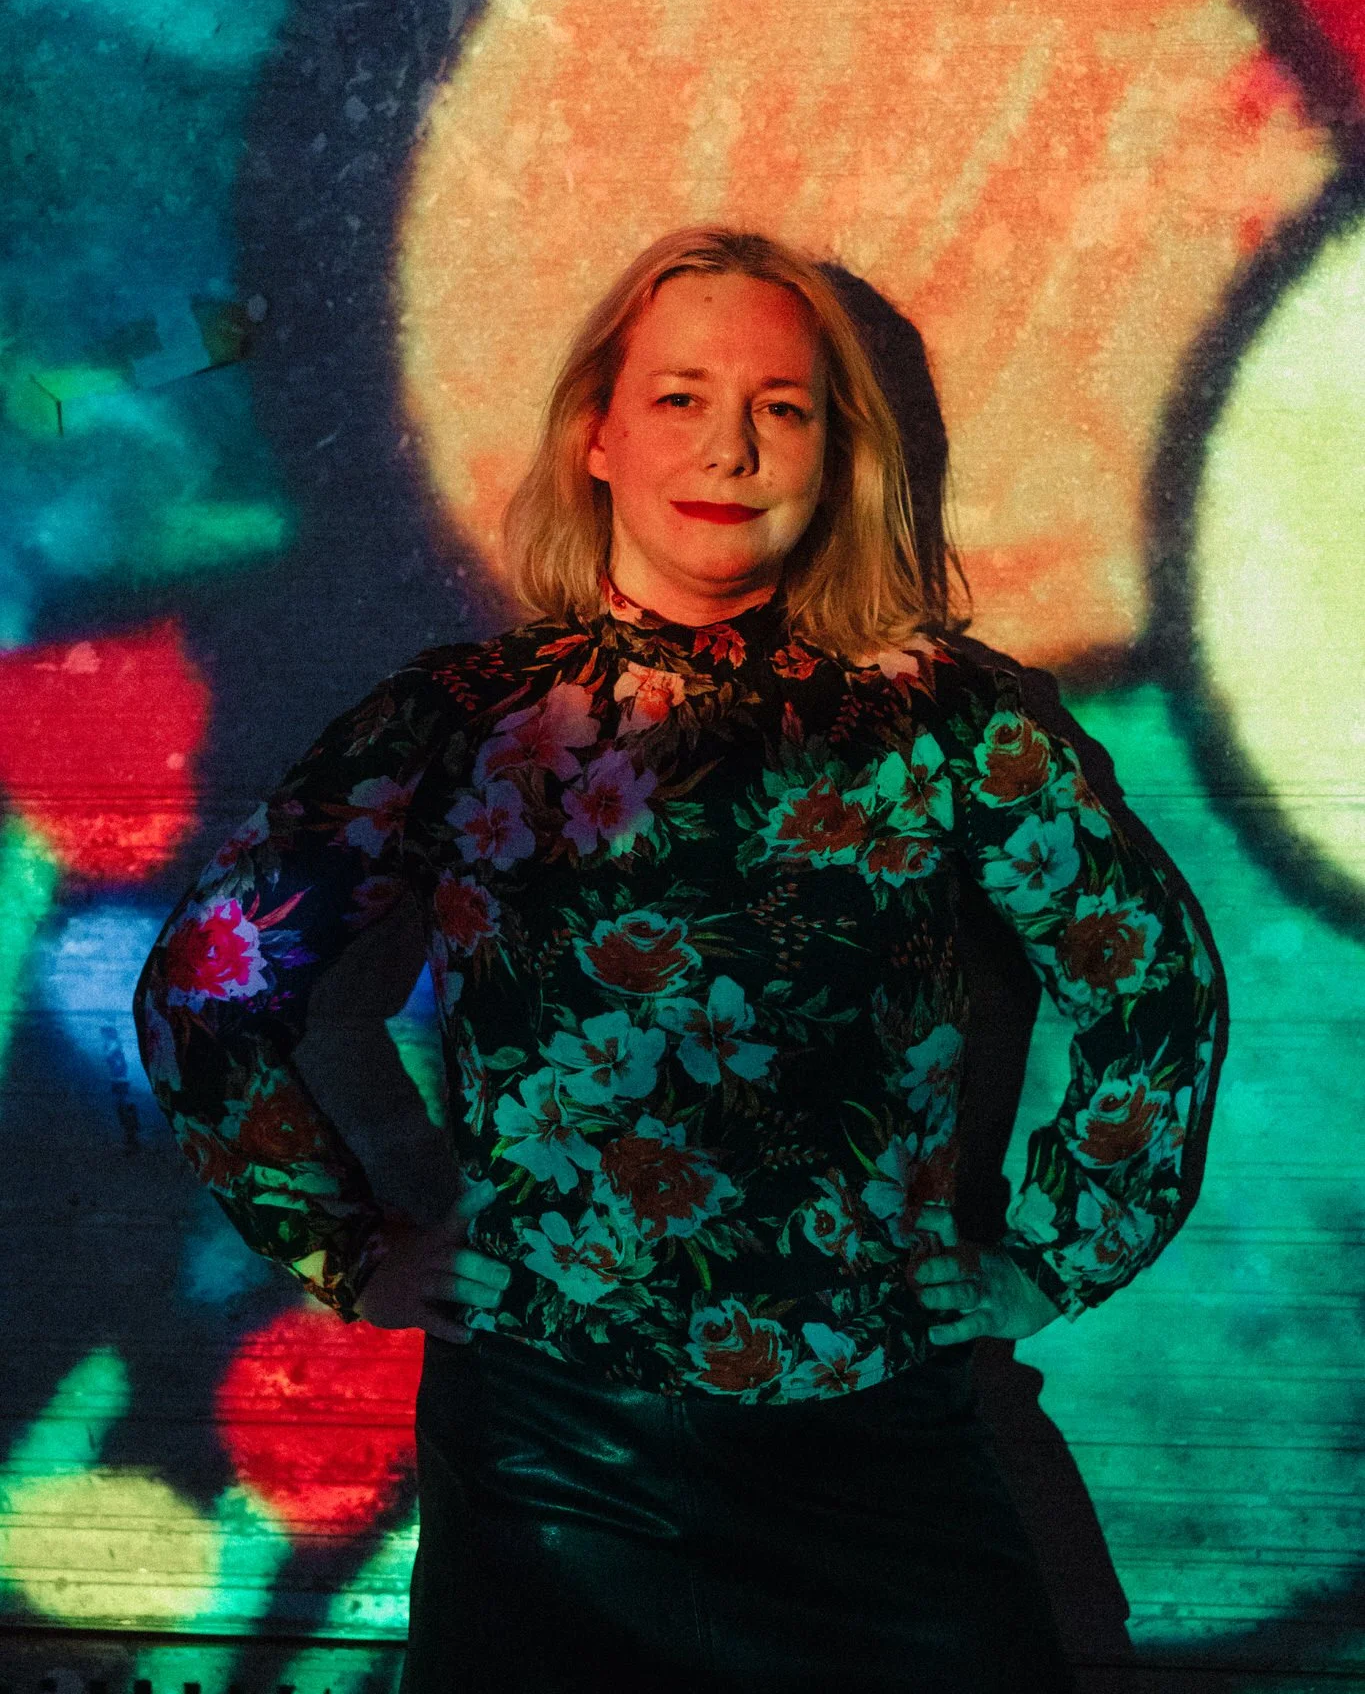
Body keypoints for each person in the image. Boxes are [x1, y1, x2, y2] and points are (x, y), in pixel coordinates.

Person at [133, 226, 1219, 1692]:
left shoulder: (952, 720)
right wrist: (351, 1248)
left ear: (839, 453)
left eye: (783, 406)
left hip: (882, 1456)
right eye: (680, 398)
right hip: (549, 1466)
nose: (733, 446)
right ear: (596, 436)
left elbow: (1149, 984)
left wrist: (1055, 1253)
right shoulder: (472, 723)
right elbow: (210, 984)